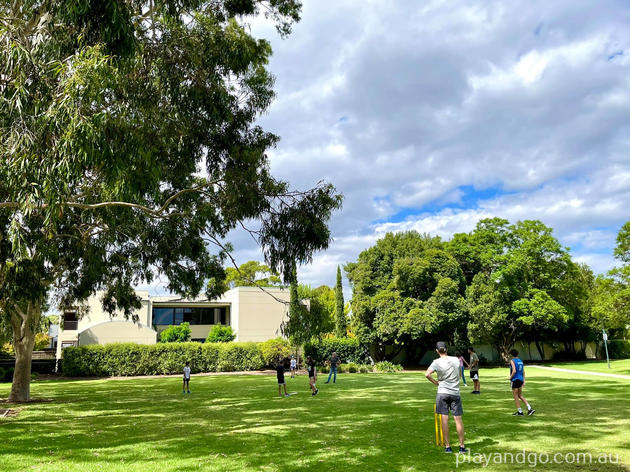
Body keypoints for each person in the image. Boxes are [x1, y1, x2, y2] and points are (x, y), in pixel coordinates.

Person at [425, 341, 466, 454]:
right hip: (455, 392)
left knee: (444, 419)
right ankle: (462, 446)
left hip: (442, 392)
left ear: (437, 351)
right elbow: (459, 374)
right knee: (458, 419)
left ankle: (448, 447)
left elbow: (427, 374)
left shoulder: (436, 362)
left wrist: (436, 382)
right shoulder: (456, 360)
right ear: (447, 349)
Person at [509, 349, 534, 416]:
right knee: (520, 395)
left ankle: (520, 412)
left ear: (511, 355)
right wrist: (524, 381)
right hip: (520, 379)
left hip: (515, 379)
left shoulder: (512, 361)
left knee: (516, 396)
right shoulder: (520, 361)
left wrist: (510, 377)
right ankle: (529, 408)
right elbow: (523, 372)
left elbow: (514, 371)